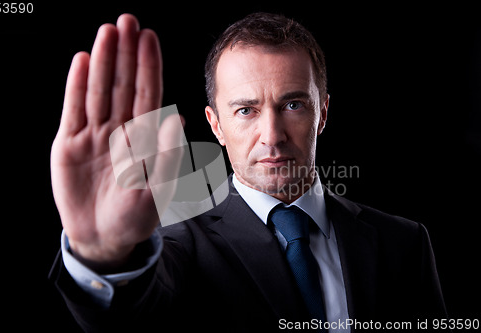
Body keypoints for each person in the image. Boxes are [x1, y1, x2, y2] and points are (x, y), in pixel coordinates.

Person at [49, 12, 447, 332]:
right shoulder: (181, 245)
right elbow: (126, 318)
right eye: (246, 110)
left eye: (293, 105)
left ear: (322, 113)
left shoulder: (404, 243)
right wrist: (103, 255)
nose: (271, 136)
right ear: (216, 125)